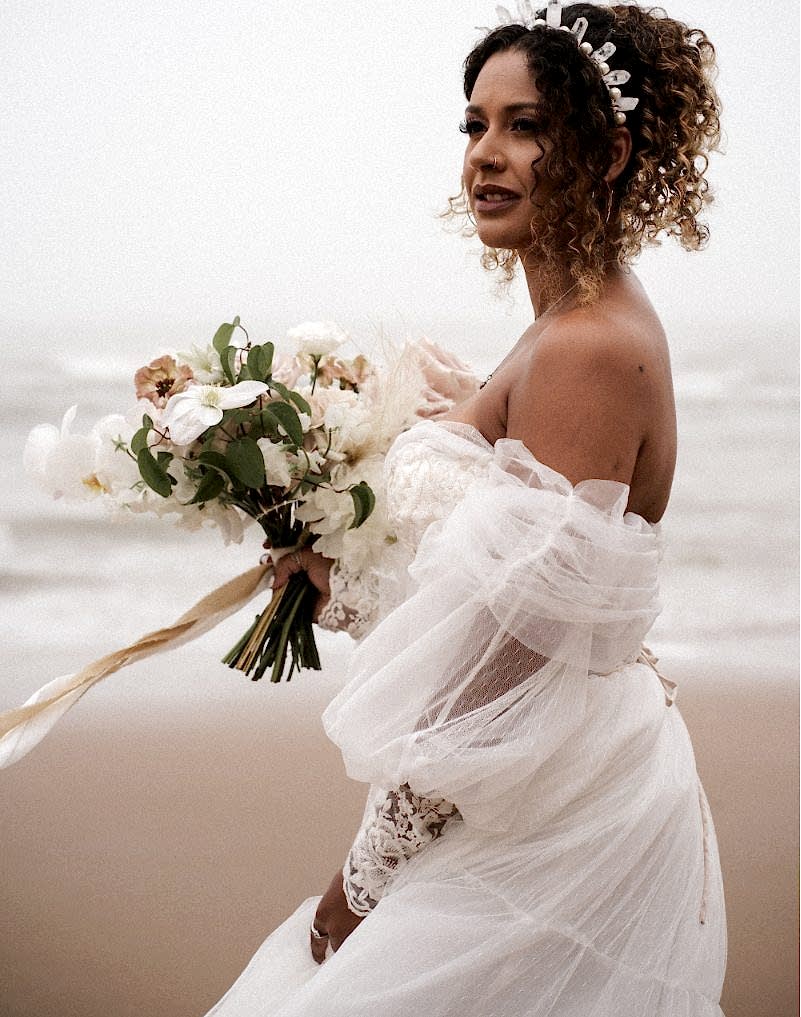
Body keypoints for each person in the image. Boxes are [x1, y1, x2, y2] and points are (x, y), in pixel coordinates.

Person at [204, 2, 726, 1014]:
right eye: (475, 125)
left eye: (526, 126)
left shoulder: (586, 347)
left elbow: (503, 672)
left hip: (547, 819)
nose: (486, 155)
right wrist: (339, 571)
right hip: (550, 771)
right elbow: (497, 583)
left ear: (608, 150)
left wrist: (360, 884)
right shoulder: (567, 320)